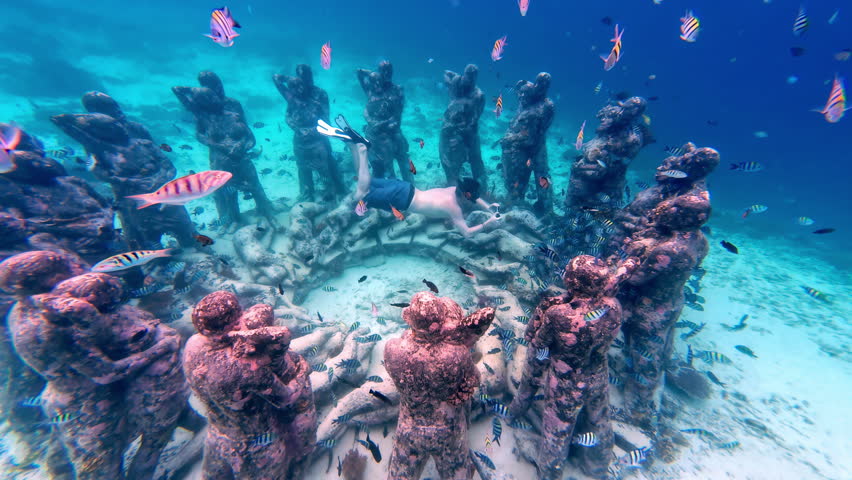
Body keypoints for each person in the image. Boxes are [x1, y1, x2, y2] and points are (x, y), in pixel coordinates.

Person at [317, 116, 501, 237]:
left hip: (405, 187)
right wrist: (489, 223)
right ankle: (363, 150)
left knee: (362, 179)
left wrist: (489, 208)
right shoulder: (453, 208)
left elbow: (474, 198)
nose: (473, 200)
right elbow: (467, 233)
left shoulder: (453, 189)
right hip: (402, 199)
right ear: (466, 196)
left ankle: (353, 144)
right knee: (360, 194)